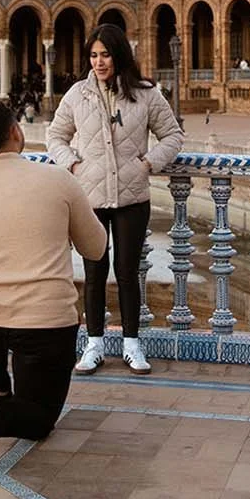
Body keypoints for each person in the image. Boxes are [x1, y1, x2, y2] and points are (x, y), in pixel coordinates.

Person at [0, 100, 107, 472]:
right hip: (44, 320)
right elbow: (96, 248)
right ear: (16, 133)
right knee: (39, 420)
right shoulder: (57, 179)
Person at [48, 23, 183, 376]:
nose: (99, 62)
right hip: (90, 197)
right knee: (94, 272)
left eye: (105, 54)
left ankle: (131, 344)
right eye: (93, 56)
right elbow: (55, 137)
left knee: (127, 272)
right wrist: (73, 164)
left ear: (119, 54)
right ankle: (93, 343)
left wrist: (149, 163)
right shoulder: (77, 95)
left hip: (132, 197)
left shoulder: (146, 94)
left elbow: (172, 135)